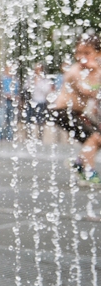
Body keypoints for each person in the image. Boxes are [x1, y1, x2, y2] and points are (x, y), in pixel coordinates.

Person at [50, 34, 101, 185]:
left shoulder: (95, 71)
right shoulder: (75, 70)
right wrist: (95, 71)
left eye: (87, 53)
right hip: (62, 111)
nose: (81, 57)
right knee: (93, 138)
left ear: (98, 54)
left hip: (76, 112)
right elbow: (86, 90)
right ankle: (88, 172)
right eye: (78, 52)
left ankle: (79, 162)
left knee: (98, 139)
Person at [0, 62, 19, 141]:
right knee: (0, 121)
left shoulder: (15, 80)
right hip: (3, 102)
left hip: (12, 102)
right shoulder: (2, 79)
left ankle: (10, 139)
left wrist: (15, 97)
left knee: (11, 122)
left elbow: (18, 92)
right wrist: (5, 95)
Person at [26, 63, 52, 129]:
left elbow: (47, 90)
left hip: (41, 101)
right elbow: (26, 87)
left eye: (39, 69)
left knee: (40, 120)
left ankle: (40, 136)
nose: (37, 71)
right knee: (29, 120)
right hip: (32, 101)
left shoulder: (45, 80)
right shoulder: (31, 78)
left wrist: (38, 83)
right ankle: (29, 134)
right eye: (36, 69)